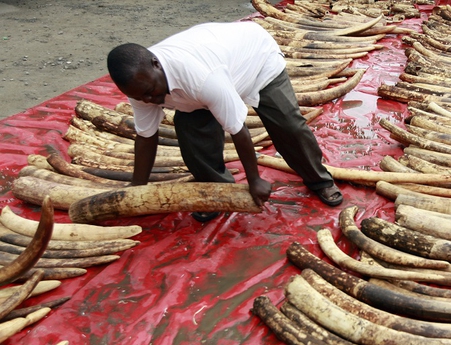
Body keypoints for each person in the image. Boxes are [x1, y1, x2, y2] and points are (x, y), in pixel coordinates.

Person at [106, 21, 343, 222]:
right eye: (141, 97)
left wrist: (255, 180)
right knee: (193, 140)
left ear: (156, 65)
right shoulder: (140, 87)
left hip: (256, 62)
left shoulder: (201, 78)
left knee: (289, 127)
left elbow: (238, 130)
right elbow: (146, 136)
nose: (149, 99)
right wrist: (137, 186)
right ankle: (218, 193)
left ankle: (319, 180)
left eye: (150, 91)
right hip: (204, 84)